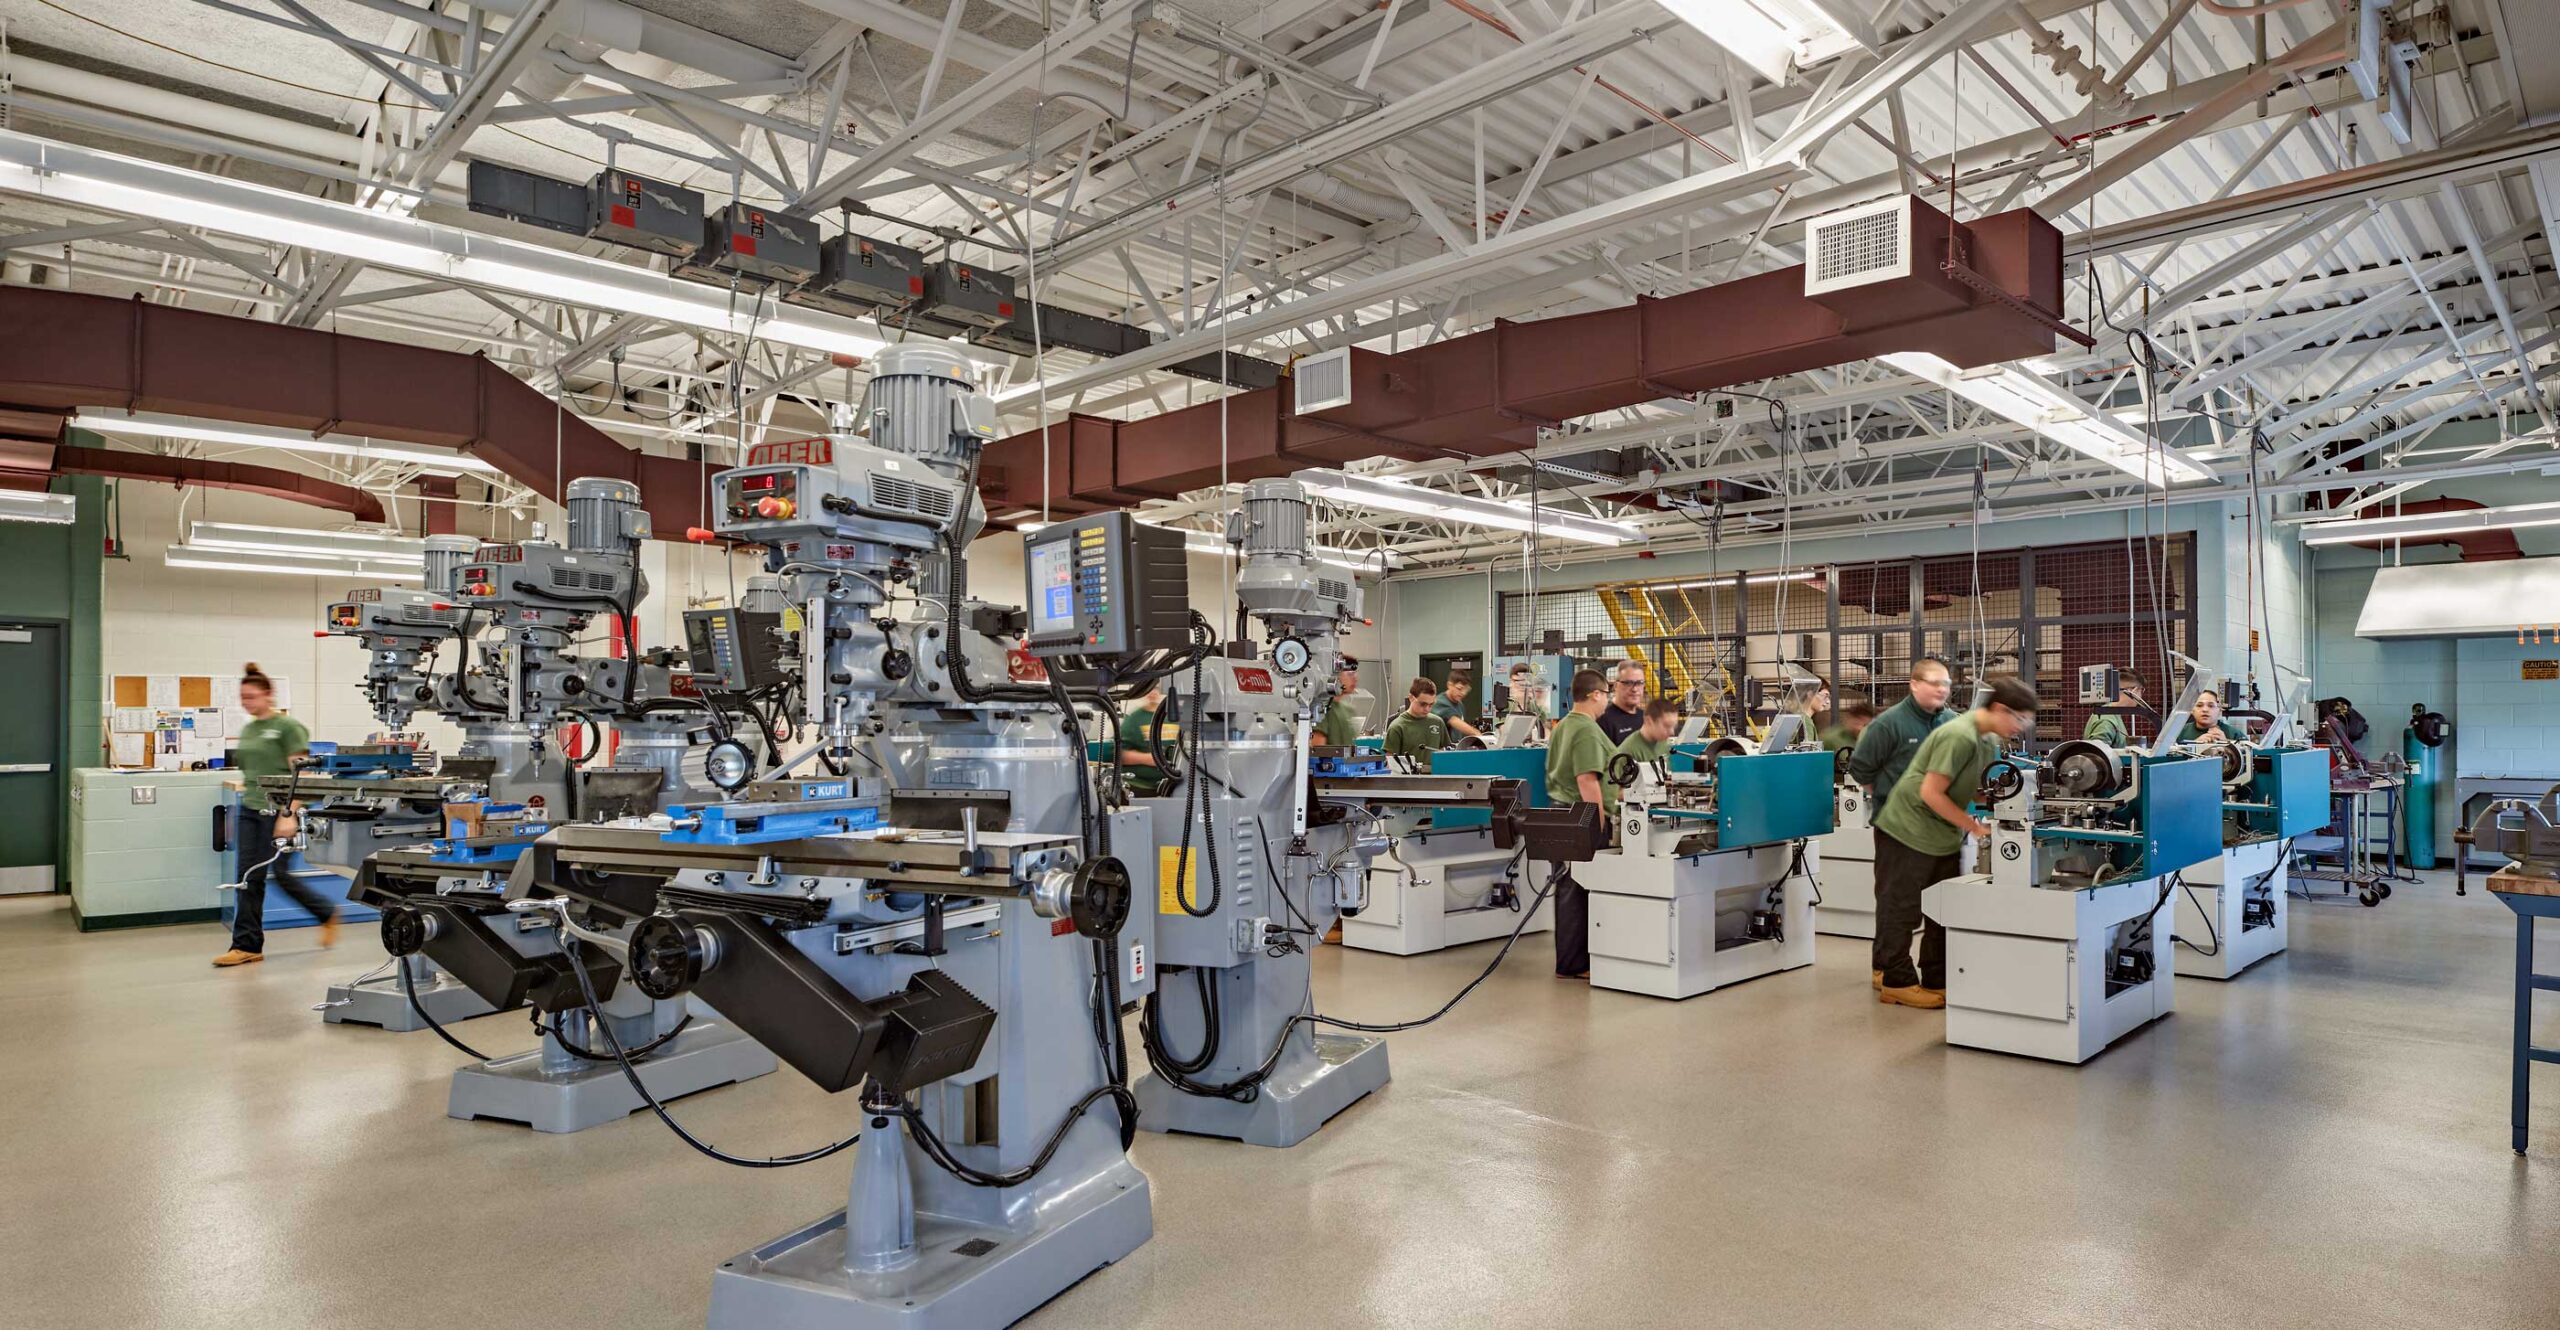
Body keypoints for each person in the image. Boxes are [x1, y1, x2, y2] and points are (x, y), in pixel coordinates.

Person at [1868, 674, 2038, 1009]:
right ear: (2000, 709)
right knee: (1902, 908)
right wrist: (1973, 827)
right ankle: (1896, 982)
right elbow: (1931, 793)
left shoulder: (1986, 740)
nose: (2021, 728)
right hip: (1908, 829)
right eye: (2020, 719)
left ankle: (1937, 977)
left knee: (1944, 908)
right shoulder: (1959, 735)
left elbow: (1972, 788)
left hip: (1940, 833)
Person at [212, 662, 339, 967]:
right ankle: (246, 946)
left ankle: (326, 912)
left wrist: (288, 814)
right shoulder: (250, 729)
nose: (246, 702)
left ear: (269, 695)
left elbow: (302, 774)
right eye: (243, 697)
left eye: (252, 696)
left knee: (281, 875)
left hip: (279, 810)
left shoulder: (288, 728)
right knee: (248, 877)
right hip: (250, 809)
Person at [1544, 669, 1614, 980]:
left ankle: (1571, 960)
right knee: (1576, 890)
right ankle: (1573, 964)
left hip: (1562, 814)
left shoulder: (1563, 726)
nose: (1607, 701)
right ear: (1596, 694)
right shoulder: (1585, 729)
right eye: (1606, 694)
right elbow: (1587, 780)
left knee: (1568, 887)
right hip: (1579, 816)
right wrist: (1597, 826)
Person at [1846, 655, 1955, 803]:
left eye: (1946, 683)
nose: (1941, 689)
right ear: (1915, 685)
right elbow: (1860, 768)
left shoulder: (1953, 722)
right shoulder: (1888, 724)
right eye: (1934, 683)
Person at [1118, 682, 1170, 796]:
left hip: (1170, 787)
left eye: (1156, 688)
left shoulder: (1171, 716)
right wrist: (1149, 758)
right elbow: (1119, 754)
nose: (1153, 692)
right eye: (1149, 689)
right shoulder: (1134, 719)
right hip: (1140, 787)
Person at [1382, 677, 1450, 760]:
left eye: (1431, 705)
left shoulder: (1438, 722)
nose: (1427, 709)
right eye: (1423, 704)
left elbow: (1444, 753)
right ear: (1411, 697)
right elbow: (1390, 761)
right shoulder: (1397, 727)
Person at [2083, 670, 2147, 746]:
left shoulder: (2111, 714)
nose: (2141, 696)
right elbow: (2097, 751)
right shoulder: (2106, 720)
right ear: (2133, 691)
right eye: (2141, 690)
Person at [1613, 697, 1682, 765]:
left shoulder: (1663, 744)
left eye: (1674, 726)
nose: (1672, 732)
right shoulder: (1628, 753)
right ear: (1649, 721)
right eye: (1667, 726)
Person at [1597, 658, 1648, 744]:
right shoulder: (1603, 721)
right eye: (1628, 683)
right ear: (1616, 686)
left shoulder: (1646, 718)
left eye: (1640, 683)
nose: (1635, 689)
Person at [1315, 656, 1363, 748]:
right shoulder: (1323, 709)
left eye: (1355, 673)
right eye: (1350, 674)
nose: (1355, 678)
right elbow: (1318, 750)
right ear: (1336, 676)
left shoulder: (1348, 710)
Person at [2177, 687, 2247, 744]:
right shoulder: (2179, 733)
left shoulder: (2234, 734)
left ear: (2219, 710)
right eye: (2199, 705)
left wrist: (2227, 744)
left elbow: (2249, 753)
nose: (2205, 710)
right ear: (2192, 710)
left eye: (2211, 706)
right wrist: (2194, 746)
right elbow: (2171, 755)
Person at [1431, 674, 1485, 741]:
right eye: (1459, 689)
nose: (1463, 693)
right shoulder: (1440, 703)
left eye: (1466, 690)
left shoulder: (1460, 704)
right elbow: (1456, 722)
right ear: (1449, 685)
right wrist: (1479, 735)